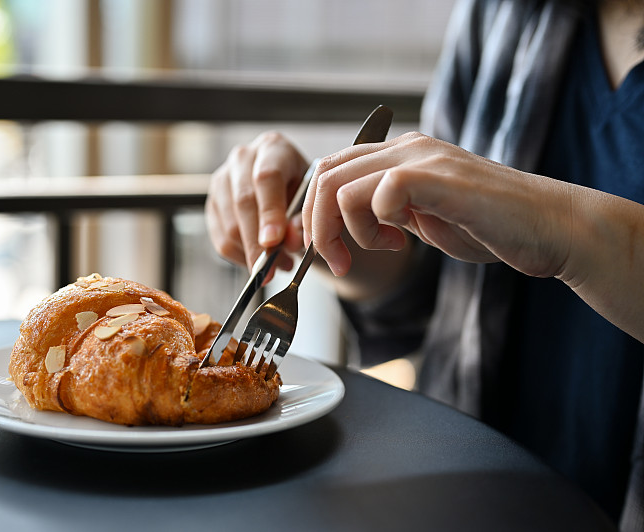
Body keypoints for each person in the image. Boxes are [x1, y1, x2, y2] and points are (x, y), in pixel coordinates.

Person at [204, 0, 644, 529]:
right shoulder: (502, 13)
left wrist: (562, 225)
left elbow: (532, 220)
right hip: (470, 496)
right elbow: (436, 296)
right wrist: (325, 215)